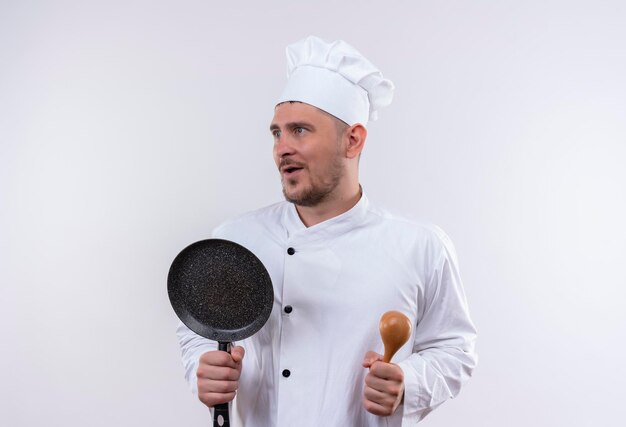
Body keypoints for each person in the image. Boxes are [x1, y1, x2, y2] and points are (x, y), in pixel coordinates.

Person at [176, 35, 477, 426]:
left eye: (300, 130)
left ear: (353, 140)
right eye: (276, 133)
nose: (282, 147)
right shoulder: (235, 240)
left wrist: (409, 382)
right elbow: (199, 330)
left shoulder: (419, 246)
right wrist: (202, 366)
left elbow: (454, 348)